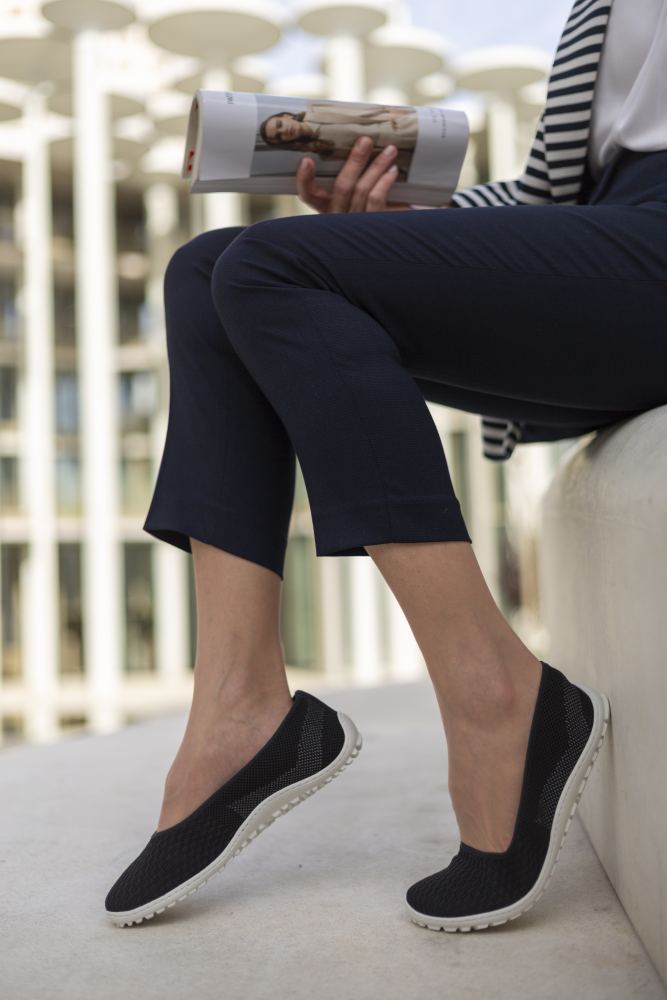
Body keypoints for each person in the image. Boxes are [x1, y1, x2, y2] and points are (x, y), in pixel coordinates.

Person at [104, 0, 666, 931]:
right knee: (206, 273)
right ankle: (237, 706)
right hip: (618, 229)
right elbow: (571, 189)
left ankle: (494, 692)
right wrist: (413, 222)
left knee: (269, 270)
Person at [259, 103, 418, 180]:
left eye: (280, 124)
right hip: (399, 154)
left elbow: (357, 111)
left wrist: (386, 111)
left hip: (396, 126)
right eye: (279, 136)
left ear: (286, 116)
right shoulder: (324, 152)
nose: (284, 131)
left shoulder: (317, 110)